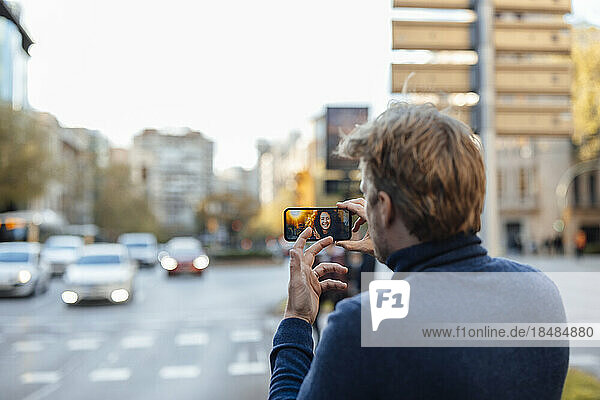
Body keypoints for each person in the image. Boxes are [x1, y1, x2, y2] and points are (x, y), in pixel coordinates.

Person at [269, 103, 569, 399]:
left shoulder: (359, 326)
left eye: (369, 197)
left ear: (384, 208)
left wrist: (296, 319)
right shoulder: (540, 293)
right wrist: (399, 255)